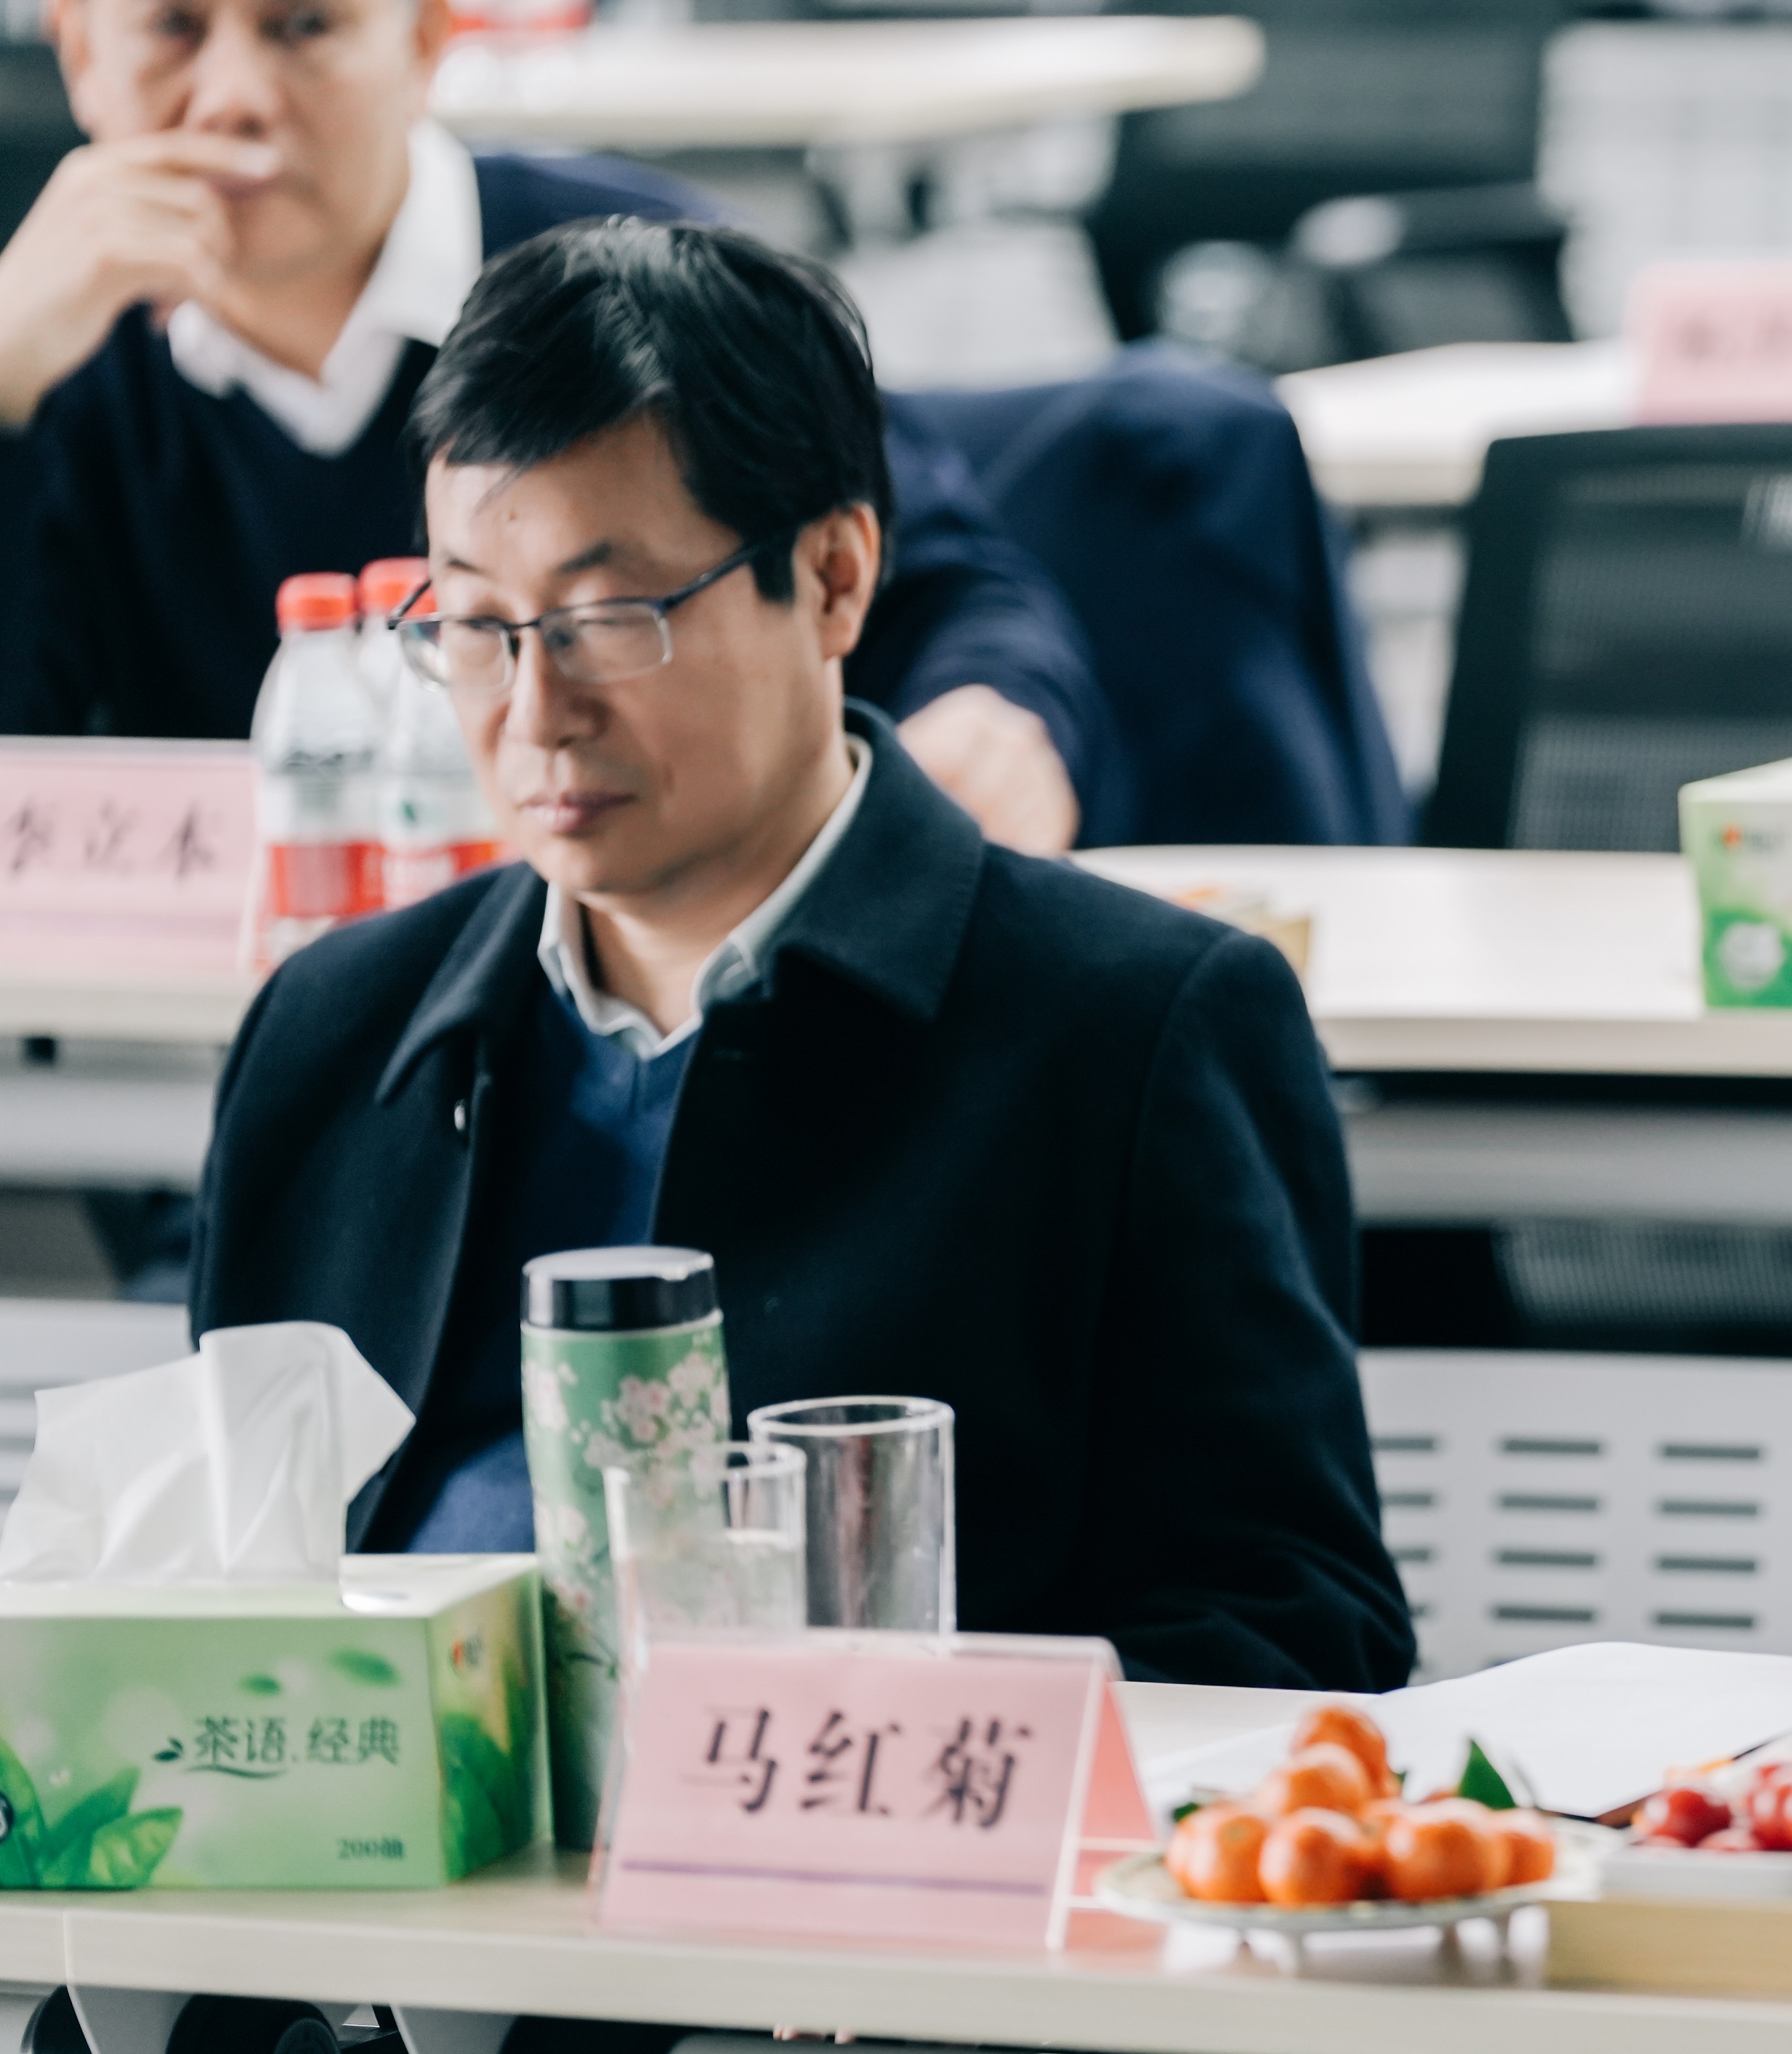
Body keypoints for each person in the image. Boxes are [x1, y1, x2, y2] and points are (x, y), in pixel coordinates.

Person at [187, 216, 1413, 1691]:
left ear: (835, 579)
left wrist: (894, 1747)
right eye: (475, 625)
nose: (536, 713)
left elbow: (1297, 1632)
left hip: (883, 1833)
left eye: (607, 619)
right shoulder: (334, 1031)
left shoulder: (1137, 1030)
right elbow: (232, 1589)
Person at [0, 0, 1102, 852]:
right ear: (81, 54)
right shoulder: (49, 350)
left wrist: (990, 714)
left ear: (424, 40)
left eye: (306, 26)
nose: (235, 99)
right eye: (173, 28)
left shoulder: (636, 284)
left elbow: (957, 590)